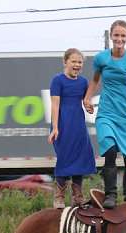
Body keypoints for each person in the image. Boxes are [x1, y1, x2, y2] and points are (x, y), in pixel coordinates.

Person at [84, 20, 126, 209]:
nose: (119, 38)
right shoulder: (102, 59)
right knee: (109, 152)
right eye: (116, 35)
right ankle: (110, 195)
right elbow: (95, 81)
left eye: (123, 35)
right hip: (107, 113)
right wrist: (87, 98)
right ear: (111, 36)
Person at [48, 48, 96, 209]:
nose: (77, 64)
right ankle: (59, 196)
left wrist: (89, 107)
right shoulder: (57, 80)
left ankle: (77, 197)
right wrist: (55, 127)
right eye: (74, 61)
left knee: (81, 158)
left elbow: (85, 101)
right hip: (62, 124)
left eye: (80, 62)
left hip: (78, 125)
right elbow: (55, 105)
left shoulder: (83, 82)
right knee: (65, 158)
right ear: (65, 62)